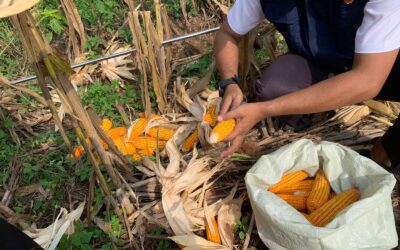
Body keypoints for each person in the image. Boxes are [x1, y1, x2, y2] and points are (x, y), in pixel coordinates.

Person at [215, 0, 400, 174]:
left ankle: (388, 149)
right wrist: (230, 83)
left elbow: (367, 80)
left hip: (382, 68)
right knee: (272, 87)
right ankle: (312, 108)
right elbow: (227, 33)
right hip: (320, 62)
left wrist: (263, 110)